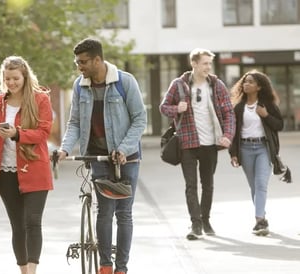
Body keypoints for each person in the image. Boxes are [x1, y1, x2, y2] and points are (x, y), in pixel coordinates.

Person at [56, 38, 147, 274]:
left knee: (123, 213)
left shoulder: (124, 82)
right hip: (97, 157)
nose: (80, 67)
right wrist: (65, 148)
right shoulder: (79, 85)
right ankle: (105, 266)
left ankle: (121, 269)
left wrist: (124, 149)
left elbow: (140, 119)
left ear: (98, 59)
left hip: (127, 158)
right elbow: (75, 122)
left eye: (83, 62)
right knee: (105, 211)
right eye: (77, 62)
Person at [0, 56, 53, 274]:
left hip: (35, 170)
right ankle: (23, 270)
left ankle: (32, 271)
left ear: (25, 76)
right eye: (7, 79)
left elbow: (43, 133)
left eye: (15, 78)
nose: (11, 83)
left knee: (33, 221)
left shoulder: (40, 99)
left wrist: (17, 134)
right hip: (5, 172)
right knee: (17, 225)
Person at [159, 48, 235, 240]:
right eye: (204, 63)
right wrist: (177, 108)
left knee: (208, 184)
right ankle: (196, 224)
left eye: (210, 63)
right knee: (191, 186)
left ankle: (206, 219)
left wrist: (228, 135)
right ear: (193, 63)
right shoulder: (179, 85)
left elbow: (228, 113)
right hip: (188, 142)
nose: (208, 67)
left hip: (211, 143)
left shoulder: (217, 85)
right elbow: (163, 107)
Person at [229, 70, 284, 236]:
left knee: (261, 184)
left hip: (263, 148)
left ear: (259, 87)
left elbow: (279, 125)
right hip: (245, 149)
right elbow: (233, 132)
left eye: (251, 82)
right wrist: (233, 153)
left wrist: (266, 115)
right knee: (254, 187)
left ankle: (260, 220)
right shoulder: (238, 108)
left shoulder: (267, 105)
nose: (246, 84)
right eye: (245, 82)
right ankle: (262, 215)